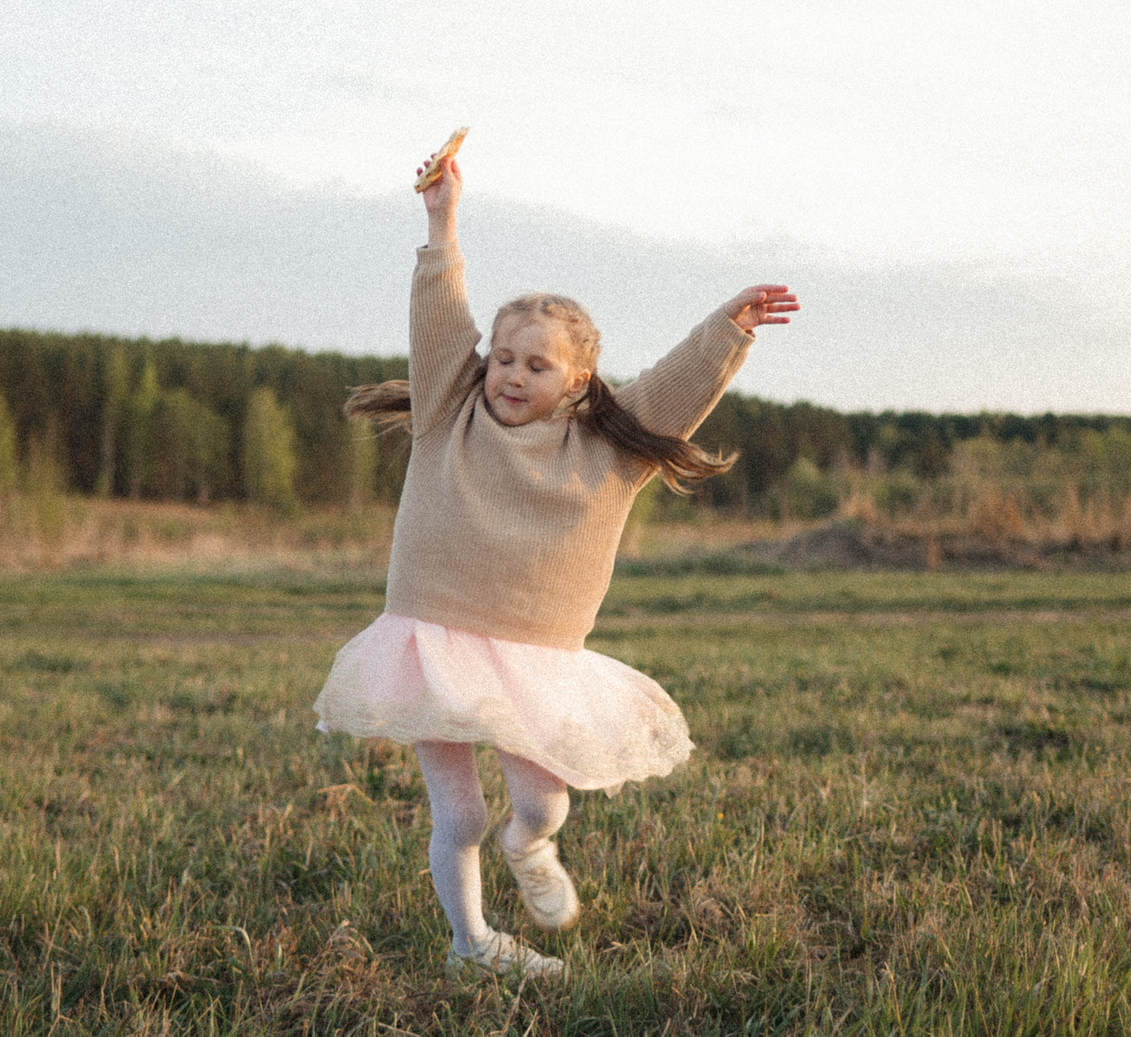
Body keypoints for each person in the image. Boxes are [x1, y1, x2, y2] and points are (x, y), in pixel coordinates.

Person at [314, 146, 799, 981]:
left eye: (537, 365)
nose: (510, 375)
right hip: (435, 639)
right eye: (503, 357)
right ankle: (473, 946)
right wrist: (443, 220)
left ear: (578, 381)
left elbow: (677, 390)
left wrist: (730, 327)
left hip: (537, 654)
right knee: (457, 816)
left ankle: (529, 848)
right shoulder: (446, 408)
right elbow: (440, 310)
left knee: (542, 804)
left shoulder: (609, 445)